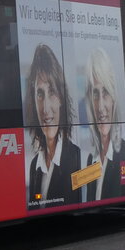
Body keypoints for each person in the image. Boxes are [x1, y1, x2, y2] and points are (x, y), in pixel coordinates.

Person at [24, 43, 83, 207]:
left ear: (61, 99)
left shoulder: (76, 157)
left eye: (52, 92)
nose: (45, 108)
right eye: (40, 94)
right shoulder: (34, 166)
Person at [82, 47, 125, 200]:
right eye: (95, 94)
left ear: (114, 98)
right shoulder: (91, 160)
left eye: (106, 92)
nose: (101, 107)